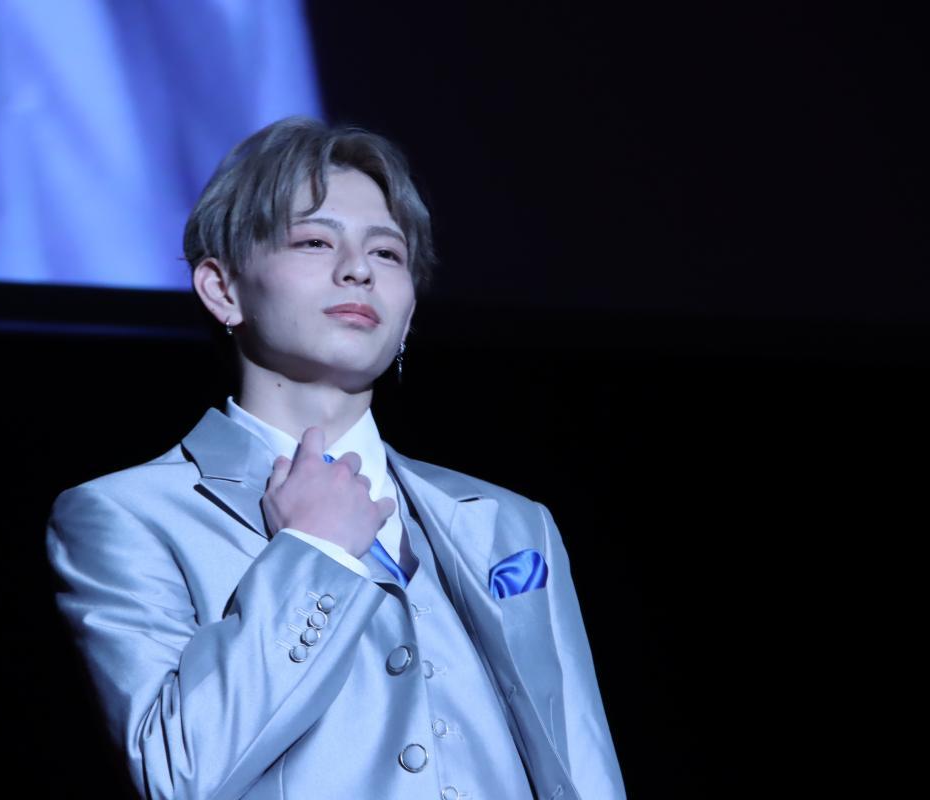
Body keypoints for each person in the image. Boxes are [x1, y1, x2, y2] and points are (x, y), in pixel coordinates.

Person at [45, 115, 626, 800]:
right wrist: (314, 551)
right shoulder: (127, 514)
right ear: (223, 289)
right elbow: (179, 774)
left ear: (409, 313)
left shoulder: (509, 522)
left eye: (387, 253)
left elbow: (582, 765)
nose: (358, 269)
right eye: (315, 241)